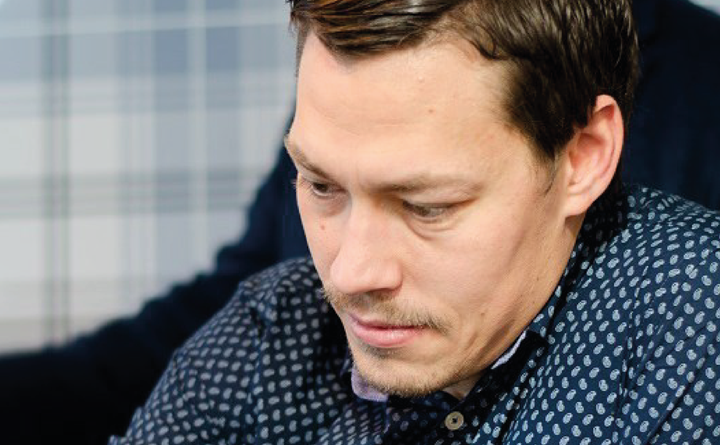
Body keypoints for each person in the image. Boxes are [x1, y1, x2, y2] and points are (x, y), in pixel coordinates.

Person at [1, 0, 719, 444]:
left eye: (427, 206)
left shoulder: (693, 325)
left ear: (585, 157)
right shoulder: (265, 337)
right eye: (321, 186)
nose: (348, 274)